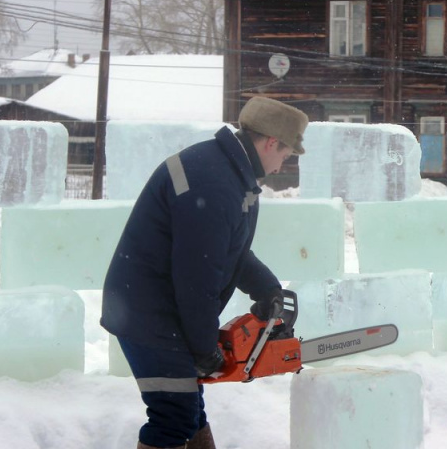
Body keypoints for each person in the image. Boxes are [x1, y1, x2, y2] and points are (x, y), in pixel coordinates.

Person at [101, 97, 309, 449]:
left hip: (159, 307)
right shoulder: (215, 184)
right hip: (148, 313)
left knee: (189, 409)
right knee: (173, 414)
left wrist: (267, 289)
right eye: (286, 155)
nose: (281, 166)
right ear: (271, 142)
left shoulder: (227, 171)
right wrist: (202, 348)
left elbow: (229, 249)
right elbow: (197, 277)